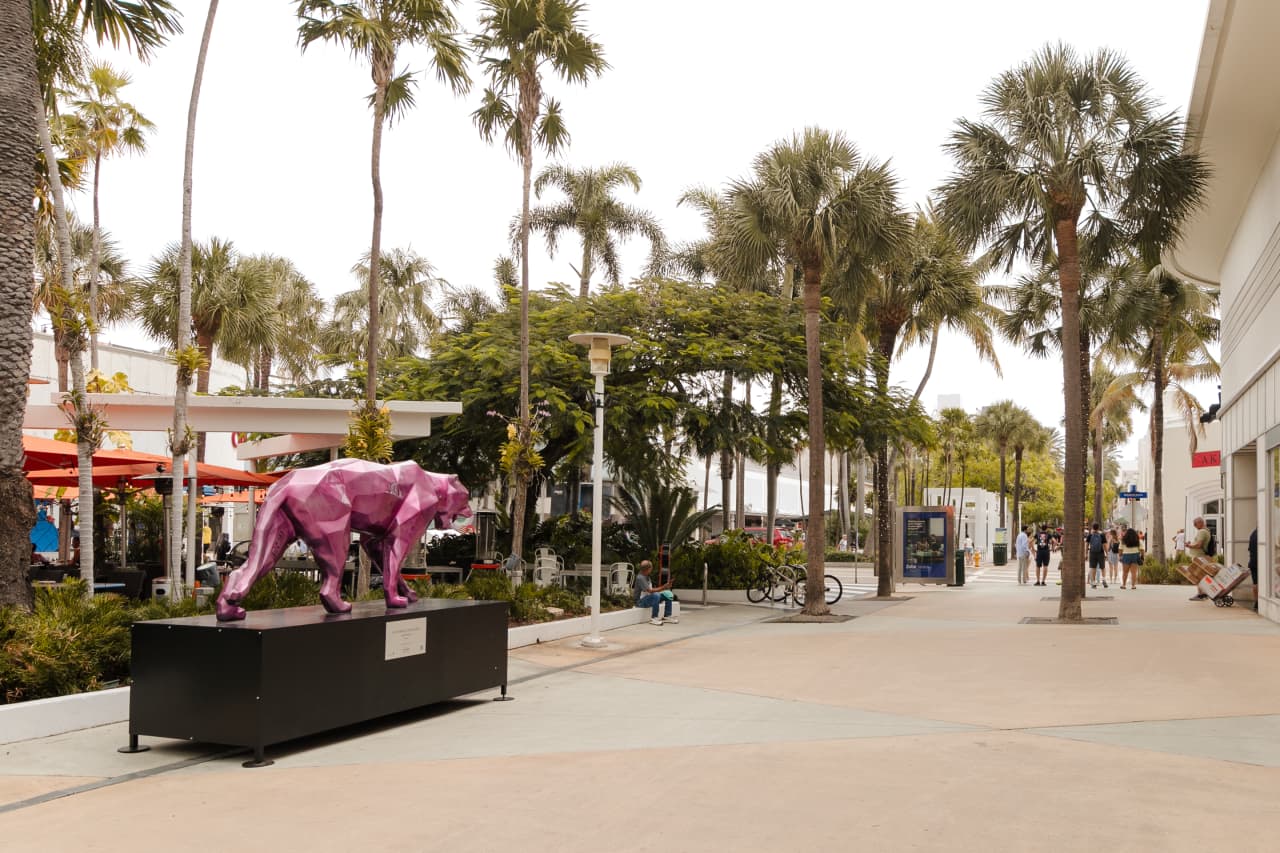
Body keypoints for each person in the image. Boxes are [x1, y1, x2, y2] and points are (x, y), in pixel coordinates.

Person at [634, 560, 676, 625]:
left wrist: (666, 587)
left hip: (648, 598)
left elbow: (651, 590)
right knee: (656, 595)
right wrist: (663, 587)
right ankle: (654, 618)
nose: (651, 570)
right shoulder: (640, 578)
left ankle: (667, 616)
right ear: (648, 569)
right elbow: (650, 591)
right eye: (651, 568)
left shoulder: (646, 576)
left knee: (668, 594)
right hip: (640, 602)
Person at [1086, 523, 1108, 589]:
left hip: (1092, 552)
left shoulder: (1090, 535)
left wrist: (1086, 553)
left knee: (1093, 567)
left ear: (1093, 527)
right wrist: (1107, 553)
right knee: (1102, 567)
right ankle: (1104, 579)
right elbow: (1104, 545)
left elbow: (1087, 545)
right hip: (1100, 553)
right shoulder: (1102, 535)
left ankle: (1093, 582)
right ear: (1098, 528)